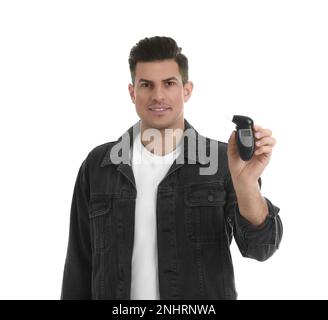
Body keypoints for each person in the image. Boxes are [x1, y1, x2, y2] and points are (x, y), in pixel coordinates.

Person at [60, 36, 283, 300]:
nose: (158, 96)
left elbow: (261, 247)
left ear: (186, 90)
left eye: (169, 83)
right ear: (132, 92)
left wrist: (246, 184)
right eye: (146, 85)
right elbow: (79, 267)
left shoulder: (223, 161)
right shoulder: (99, 165)